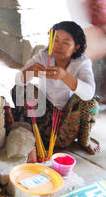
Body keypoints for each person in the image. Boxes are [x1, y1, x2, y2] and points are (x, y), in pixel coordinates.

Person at [12, 21, 100, 155]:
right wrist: (30, 71)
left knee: (90, 101)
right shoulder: (43, 56)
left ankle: (85, 140)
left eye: (65, 42)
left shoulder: (82, 63)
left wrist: (65, 76)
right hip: (45, 113)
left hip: (67, 118)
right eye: (55, 40)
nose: (58, 46)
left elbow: (89, 93)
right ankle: (32, 129)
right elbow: (18, 80)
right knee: (19, 89)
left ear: (76, 47)